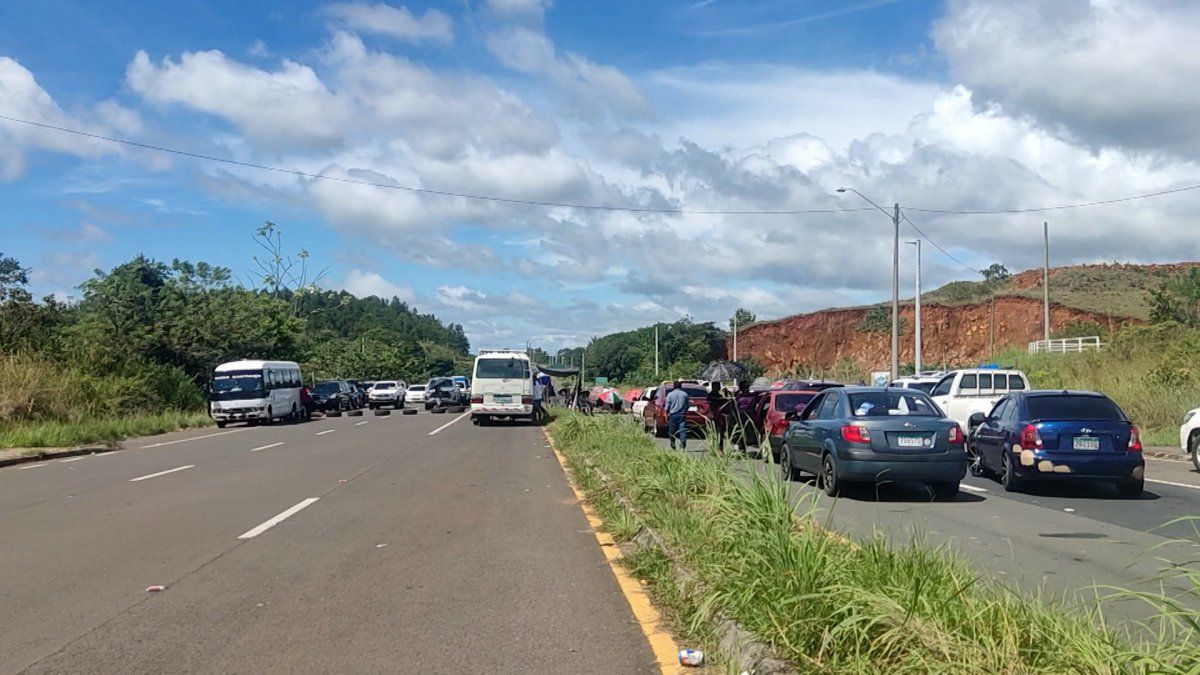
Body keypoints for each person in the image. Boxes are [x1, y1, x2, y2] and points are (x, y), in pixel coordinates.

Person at [664, 380, 690, 450]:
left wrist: (666, 416)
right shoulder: (685, 394)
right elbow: (688, 405)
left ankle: (673, 444)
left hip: (673, 415)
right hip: (682, 415)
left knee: (671, 432)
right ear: (680, 386)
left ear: (674, 386)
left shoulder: (670, 394)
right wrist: (684, 410)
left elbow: (667, 407)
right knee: (682, 430)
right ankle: (683, 445)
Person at [706, 380, 728, 452]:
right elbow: (711, 400)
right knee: (713, 431)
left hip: (719, 416)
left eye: (718, 386)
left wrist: (726, 394)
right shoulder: (710, 395)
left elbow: (724, 401)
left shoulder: (720, 395)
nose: (718, 387)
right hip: (713, 415)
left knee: (721, 432)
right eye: (716, 386)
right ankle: (714, 447)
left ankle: (720, 447)